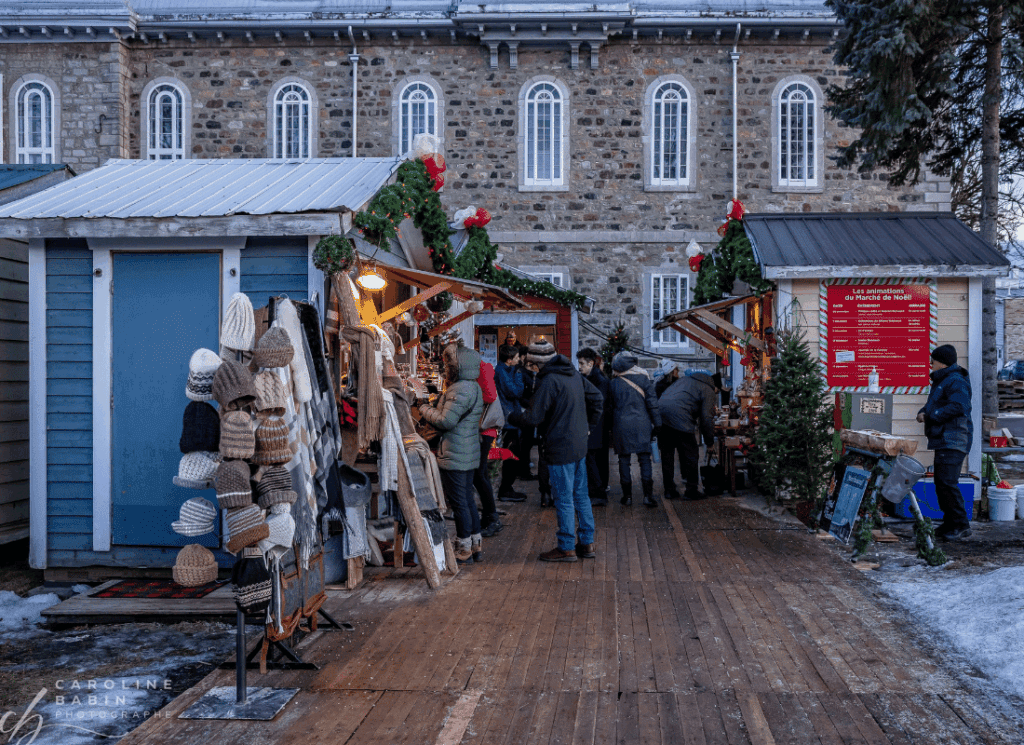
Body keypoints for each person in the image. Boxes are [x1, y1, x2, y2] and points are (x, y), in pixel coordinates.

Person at [510, 339, 604, 562]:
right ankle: (587, 543)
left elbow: (533, 417)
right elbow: (597, 399)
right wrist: (587, 428)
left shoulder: (549, 380)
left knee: (563, 497)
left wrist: (511, 416)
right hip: (578, 444)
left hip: (560, 446)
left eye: (531, 364)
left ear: (536, 363)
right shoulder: (573, 374)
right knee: (580, 495)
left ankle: (566, 546)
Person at [419, 343, 484, 564]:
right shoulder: (472, 386)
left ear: (457, 366)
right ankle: (476, 544)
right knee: (466, 499)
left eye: (449, 364)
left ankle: (464, 548)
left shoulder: (460, 388)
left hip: (455, 451)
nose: (446, 368)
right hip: (466, 449)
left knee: (460, 502)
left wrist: (424, 408)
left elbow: (446, 420)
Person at [916, 344, 973, 541]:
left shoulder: (956, 381)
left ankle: (961, 525)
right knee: (941, 483)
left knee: (948, 483)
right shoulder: (943, 381)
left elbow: (959, 406)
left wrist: (932, 415)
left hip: (954, 439)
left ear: (942, 362)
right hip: (944, 439)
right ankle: (950, 522)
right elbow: (933, 404)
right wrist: (923, 411)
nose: (930, 363)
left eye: (933, 360)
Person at [608, 351, 662, 507]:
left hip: (621, 425)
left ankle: (627, 496)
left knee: (624, 460)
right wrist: (657, 424)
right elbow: (652, 404)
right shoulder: (644, 379)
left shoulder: (614, 383)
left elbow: (610, 408)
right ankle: (647, 496)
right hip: (642, 424)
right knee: (645, 460)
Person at [658, 370, 720, 500]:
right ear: (716, 387)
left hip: (661, 414)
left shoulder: (686, 380)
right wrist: (709, 443)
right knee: (691, 454)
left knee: (667, 455)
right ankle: (691, 490)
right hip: (680, 416)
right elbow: (706, 419)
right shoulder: (708, 389)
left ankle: (669, 490)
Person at [577, 347, 611, 506]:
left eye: (582, 363)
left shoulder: (599, 381)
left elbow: (598, 404)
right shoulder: (593, 378)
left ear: (591, 363)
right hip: (596, 426)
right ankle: (599, 489)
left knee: (592, 459)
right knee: (596, 459)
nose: (580, 367)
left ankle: (598, 491)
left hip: (595, 426)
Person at [494, 344, 528, 502]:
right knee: (511, 454)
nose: (519, 360)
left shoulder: (505, 370)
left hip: (510, 415)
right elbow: (515, 391)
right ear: (509, 359)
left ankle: (507, 487)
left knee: (513, 453)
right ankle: (505, 489)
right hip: (508, 419)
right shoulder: (503, 371)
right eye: (516, 358)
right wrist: (519, 376)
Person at [475, 358, 504, 538]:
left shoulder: (481, 368)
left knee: (479, 474)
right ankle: (489, 517)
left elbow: (490, 396)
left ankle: (492, 518)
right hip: (486, 429)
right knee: (481, 473)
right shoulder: (483, 367)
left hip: (485, 428)